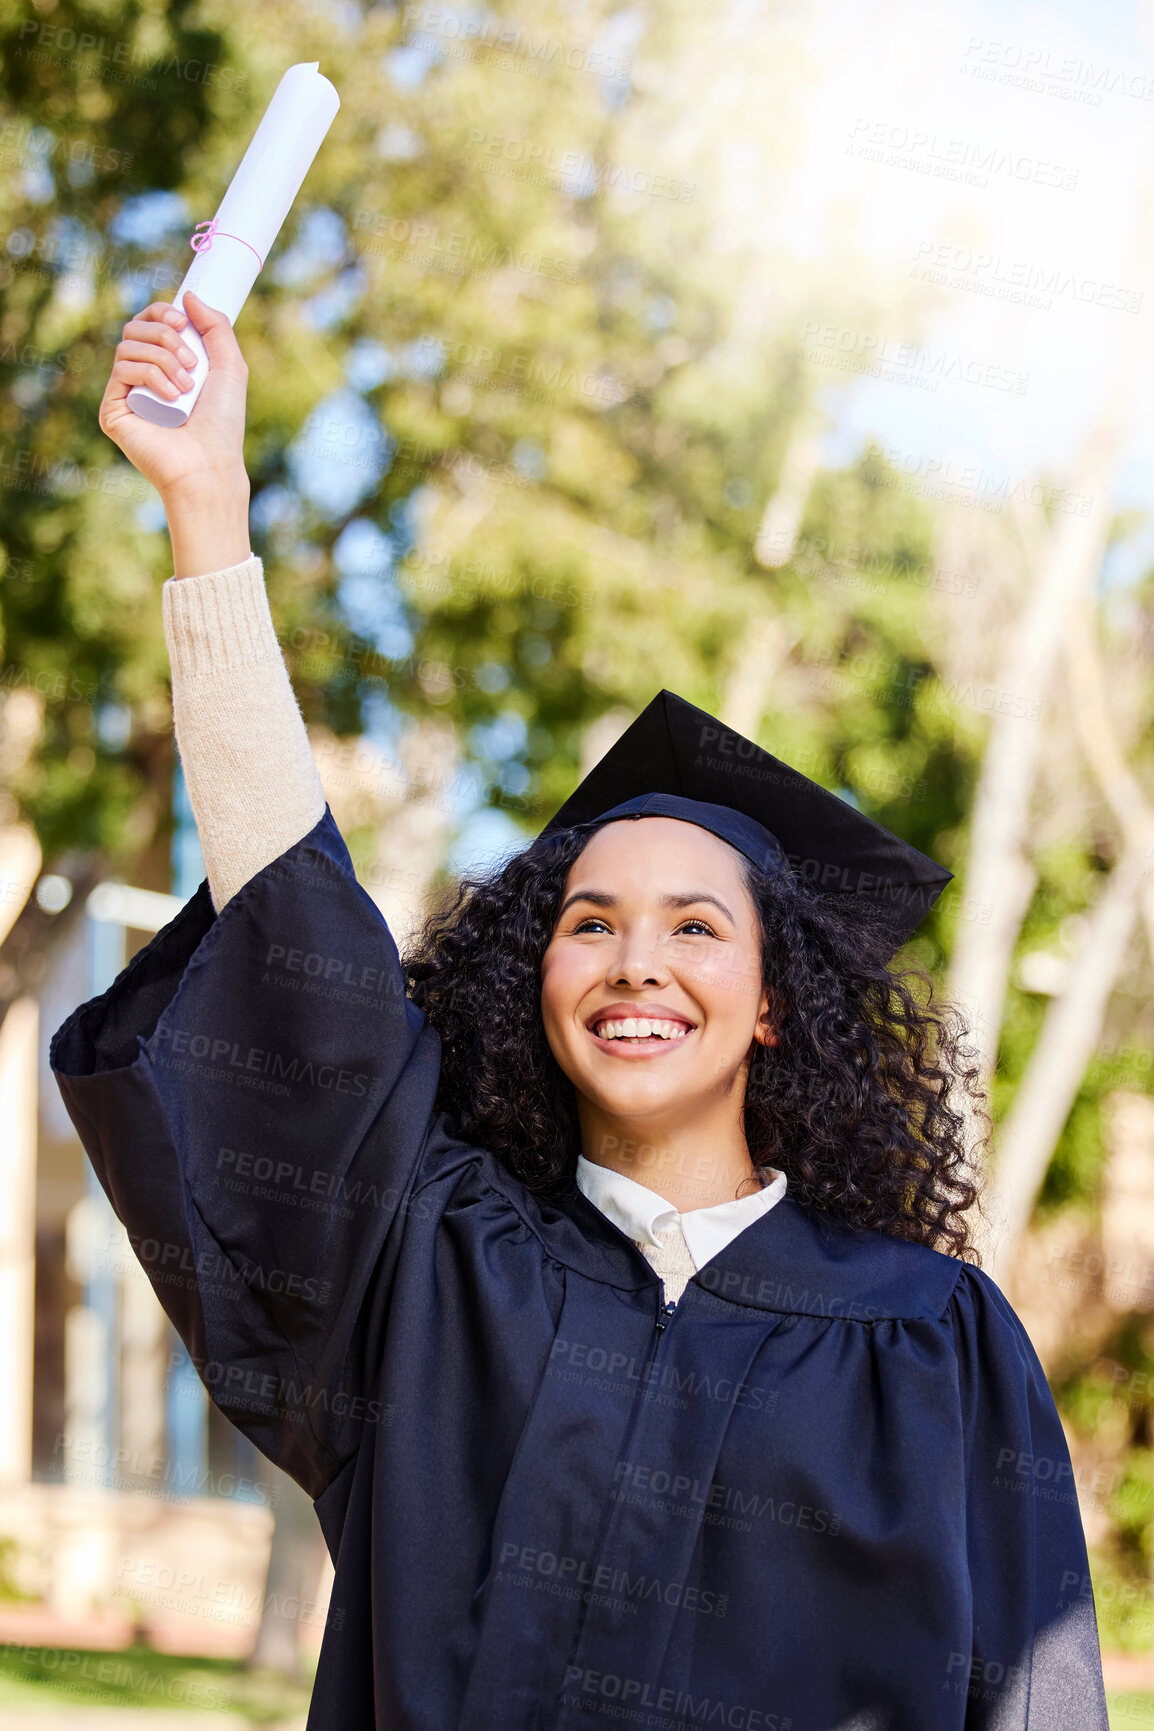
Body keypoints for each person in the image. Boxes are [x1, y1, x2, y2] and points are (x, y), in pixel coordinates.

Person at [51, 294, 1109, 1730]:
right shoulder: (436, 1265)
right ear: (529, 985)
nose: (633, 963)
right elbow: (295, 934)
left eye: (694, 926)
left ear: (773, 1006)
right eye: (586, 922)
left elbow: (1032, 1699)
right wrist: (207, 510)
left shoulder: (929, 1336)